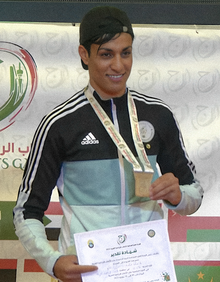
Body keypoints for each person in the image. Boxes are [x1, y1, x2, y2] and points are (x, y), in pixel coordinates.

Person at [13, 6, 204, 282]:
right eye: (106, 54)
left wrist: (178, 197)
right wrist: (52, 261)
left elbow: (193, 195)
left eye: (125, 53)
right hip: (88, 273)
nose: (119, 65)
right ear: (84, 55)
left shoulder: (158, 115)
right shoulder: (59, 124)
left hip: (145, 271)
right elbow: (26, 211)